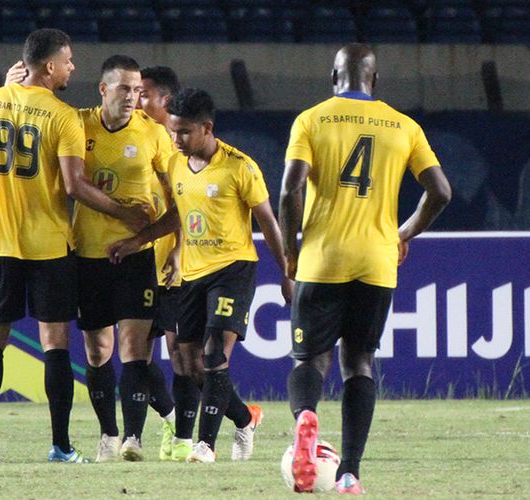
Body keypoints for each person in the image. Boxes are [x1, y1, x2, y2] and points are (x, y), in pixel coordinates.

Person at [0, 29, 149, 464]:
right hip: (51, 246)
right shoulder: (63, 116)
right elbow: (75, 185)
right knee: (55, 342)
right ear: (49, 67)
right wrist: (123, 212)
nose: (72, 67)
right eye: (68, 61)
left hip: (0, 243)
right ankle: (60, 445)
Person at [279, 43, 451, 494]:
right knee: (359, 364)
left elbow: (289, 190)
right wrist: (404, 233)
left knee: (310, 359)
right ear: (374, 80)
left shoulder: (312, 119)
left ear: (334, 77)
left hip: (323, 257)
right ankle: (349, 472)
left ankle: (307, 417)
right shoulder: (404, 126)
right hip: (376, 261)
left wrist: (290, 254)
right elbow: (440, 192)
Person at [109, 88, 294, 464]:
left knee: (213, 355)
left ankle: (204, 445)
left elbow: (268, 221)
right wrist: (137, 241)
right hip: (191, 276)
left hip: (233, 269)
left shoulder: (239, 167)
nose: (175, 140)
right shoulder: (177, 165)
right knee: (188, 364)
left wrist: (287, 273)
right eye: (173, 131)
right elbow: (178, 214)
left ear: (206, 128)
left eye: (184, 132)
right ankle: (245, 418)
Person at [74, 55, 174, 462]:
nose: (133, 97)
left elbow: (178, 199)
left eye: (137, 90)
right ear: (103, 89)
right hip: (88, 253)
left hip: (137, 256)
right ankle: (108, 435)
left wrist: (161, 244)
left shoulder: (153, 134)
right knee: (98, 352)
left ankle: (134, 438)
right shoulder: (77, 125)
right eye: (124, 89)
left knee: (135, 350)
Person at [138, 65, 201, 462]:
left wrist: (178, 251)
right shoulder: (136, 134)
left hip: (174, 266)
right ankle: (172, 417)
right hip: (142, 261)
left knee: (184, 357)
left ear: (165, 100)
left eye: (143, 94)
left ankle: (184, 435)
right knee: (136, 357)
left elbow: (184, 205)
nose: (136, 100)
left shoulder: (180, 143)